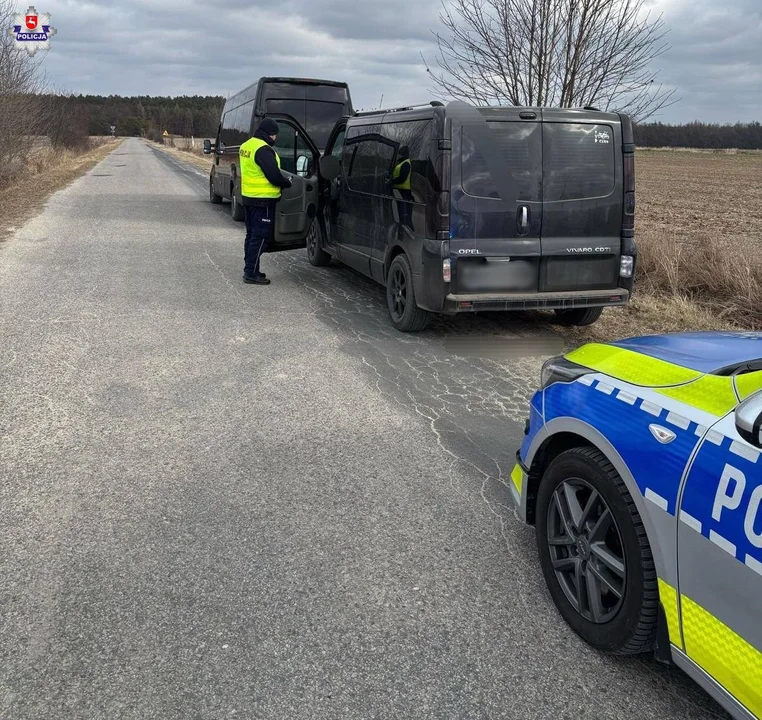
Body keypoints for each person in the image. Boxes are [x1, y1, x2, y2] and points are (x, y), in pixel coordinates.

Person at [239, 117, 293, 285]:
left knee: (251, 235)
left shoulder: (246, 145)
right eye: (275, 135)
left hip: (248, 198)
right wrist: (287, 182)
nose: (275, 138)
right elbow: (274, 176)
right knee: (261, 237)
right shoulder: (263, 150)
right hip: (263, 201)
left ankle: (251, 269)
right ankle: (250, 273)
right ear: (269, 134)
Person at [391, 146, 414, 235]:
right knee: (403, 211)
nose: (398, 156)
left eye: (400, 154)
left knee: (403, 212)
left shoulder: (405, 164)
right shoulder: (403, 163)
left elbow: (402, 178)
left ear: (403, 154)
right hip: (401, 191)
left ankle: (405, 230)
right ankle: (405, 228)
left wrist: (391, 181)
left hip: (403, 192)